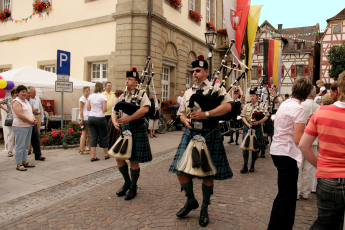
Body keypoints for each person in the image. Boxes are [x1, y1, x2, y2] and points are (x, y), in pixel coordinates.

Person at [168, 55, 233, 227]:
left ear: (206, 72)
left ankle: (204, 208)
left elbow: (228, 106)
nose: (195, 73)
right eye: (193, 71)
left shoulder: (217, 87)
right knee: (179, 169)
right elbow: (181, 113)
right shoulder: (189, 91)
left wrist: (206, 114)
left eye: (198, 71)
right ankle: (191, 201)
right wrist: (184, 120)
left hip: (209, 131)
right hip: (191, 133)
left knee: (207, 172)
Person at [299, 74, 345, 230]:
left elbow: (304, 145)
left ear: (338, 89)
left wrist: (321, 165)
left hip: (328, 178)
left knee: (325, 224)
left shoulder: (322, 112)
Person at [267, 77, 313, 230]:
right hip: (287, 153)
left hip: (278, 150)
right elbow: (298, 138)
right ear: (306, 94)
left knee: (287, 194)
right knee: (286, 195)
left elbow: (289, 126)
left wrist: (305, 122)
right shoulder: (298, 108)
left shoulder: (286, 104)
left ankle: (284, 225)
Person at [112, 67, 152, 201]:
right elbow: (114, 111)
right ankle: (127, 182)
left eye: (130, 79)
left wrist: (128, 119)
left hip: (137, 128)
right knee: (119, 157)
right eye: (126, 79)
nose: (127, 81)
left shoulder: (141, 94)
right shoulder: (122, 97)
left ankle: (133, 187)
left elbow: (145, 110)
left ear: (136, 82)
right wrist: (114, 122)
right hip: (124, 129)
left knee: (133, 159)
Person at [297, 86, 320, 200]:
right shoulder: (319, 107)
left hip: (302, 139)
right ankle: (305, 192)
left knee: (299, 166)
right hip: (314, 140)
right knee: (309, 168)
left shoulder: (301, 106)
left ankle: (297, 190)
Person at [240, 87, 269, 172]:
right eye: (251, 96)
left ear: (256, 96)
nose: (252, 97)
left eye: (253, 96)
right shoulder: (246, 106)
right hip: (247, 128)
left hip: (256, 128)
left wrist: (259, 122)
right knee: (245, 147)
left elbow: (266, 116)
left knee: (254, 148)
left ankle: (252, 165)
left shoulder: (260, 106)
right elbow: (243, 116)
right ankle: (245, 166)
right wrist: (248, 124)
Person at [12, 85, 37, 171]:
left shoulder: (25, 101)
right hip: (20, 126)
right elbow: (19, 115)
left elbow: (30, 112)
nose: (24, 93)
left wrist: (33, 119)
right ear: (17, 93)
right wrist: (30, 121)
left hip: (28, 126)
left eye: (25, 92)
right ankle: (18, 164)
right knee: (20, 146)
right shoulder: (16, 102)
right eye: (22, 92)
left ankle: (24, 161)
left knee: (26, 145)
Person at [87, 82, 109, 162]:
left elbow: (88, 108)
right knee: (103, 136)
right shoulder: (103, 97)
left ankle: (93, 156)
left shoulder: (90, 96)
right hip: (100, 118)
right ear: (101, 88)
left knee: (93, 137)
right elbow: (104, 109)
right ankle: (106, 154)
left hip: (91, 117)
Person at [26, 88, 45, 161]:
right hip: (25, 121)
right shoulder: (20, 102)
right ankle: (27, 151)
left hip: (34, 118)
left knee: (36, 136)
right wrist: (30, 109)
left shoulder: (33, 100)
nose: (30, 94)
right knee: (26, 138)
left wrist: (30, 110)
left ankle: (37, 154)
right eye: (29, 93)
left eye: (30, 93)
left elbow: (37, 110)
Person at [1, 88, 17, 157]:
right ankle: (10, 150)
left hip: (18, 118)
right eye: (16, 93)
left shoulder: (19, 100)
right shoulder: (8, 99)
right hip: (10, 118)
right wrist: (5, 110)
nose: (17, 94)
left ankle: (17, 150)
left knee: (17, 135)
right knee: (11, 135)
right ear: (13, 93)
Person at [79, 86, 91, 155]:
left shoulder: (87, 98)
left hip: (87, 117)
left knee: (85, 134)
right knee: (84, 134)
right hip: (85, 118)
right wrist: (82, 119)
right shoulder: (82, 99)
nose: (88, 92)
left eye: (89, 91)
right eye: (87, 91)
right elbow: (81, 109)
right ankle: (82, 149)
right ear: (83, 91)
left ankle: (81, 148)